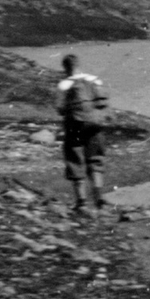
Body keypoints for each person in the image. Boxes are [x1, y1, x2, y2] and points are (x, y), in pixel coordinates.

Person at [56, 53, 111, 213]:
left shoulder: (64, 84)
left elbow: (60, 109)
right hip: (95, 124)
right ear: (78, 64)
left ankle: (82, 203)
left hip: (75, 126)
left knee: (75, 161)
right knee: (95, 161)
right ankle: (99, 200)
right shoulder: (94, 80)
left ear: (65, 67)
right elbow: (104, 102)